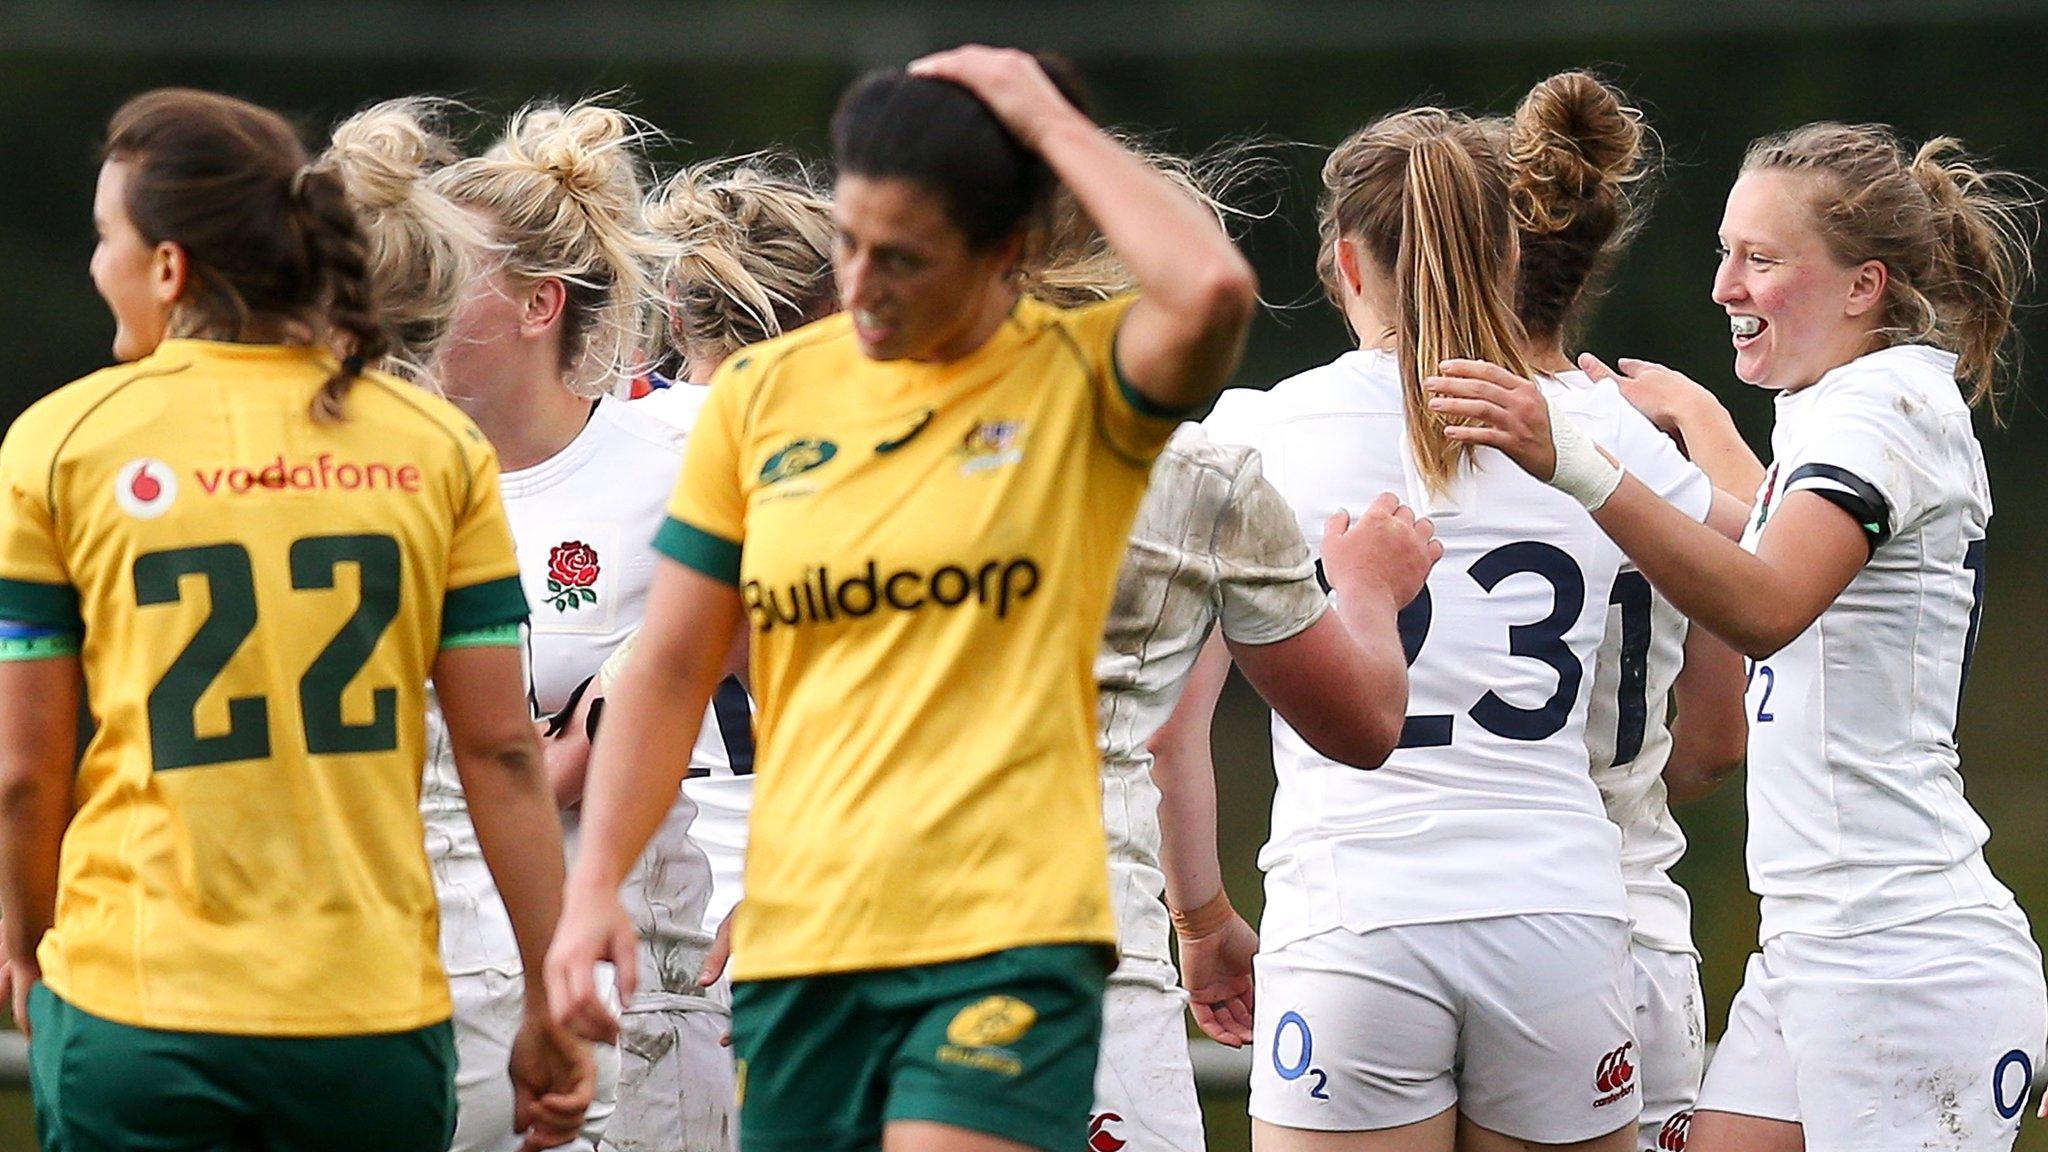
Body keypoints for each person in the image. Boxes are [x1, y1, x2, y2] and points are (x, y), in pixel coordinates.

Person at [547, 46, 1258, 1152]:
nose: (863, 285)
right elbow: (673, 666)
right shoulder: (765, 396)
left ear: (1004, 252)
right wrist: (593, 888)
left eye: (905, 258)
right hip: (803, 938)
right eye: (850, 244)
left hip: (1007, 927)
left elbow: (1209, 285)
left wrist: (1043, 117)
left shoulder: (1072, 381)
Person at [1432, 121, 2048, 1152]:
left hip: (1895, 953)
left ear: (1862, 287)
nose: (1723, 286)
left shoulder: (1879, 413)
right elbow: (1777, 537)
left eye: (1758, 259)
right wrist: (1702, 431)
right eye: (1725, 252)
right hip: (1821, 944)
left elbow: (1765, 604)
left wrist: (1574, 462)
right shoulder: (1854, 403)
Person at [0, 87, 589, 1152]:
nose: (95, 266)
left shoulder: (60, 440)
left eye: (104, 240)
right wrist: (551, 994)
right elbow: (504, 751)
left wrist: (28, 936)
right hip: (368, 1019)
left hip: (135, 1006)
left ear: (168, 269)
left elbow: (26, 769)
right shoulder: (431, 443)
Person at [1196, 101, 1733, 1152]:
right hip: (1559, 914)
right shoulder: (1593, 430)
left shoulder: (1258, 432)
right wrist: (1707, 427)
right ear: (1509, 255)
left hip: (1355, 914)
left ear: (1345, 264)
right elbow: (1769, 576)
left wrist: (1195, 917)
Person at [428, 98, 732, 1152]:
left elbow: (811, 685)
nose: (406, 300)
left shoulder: (676, 462)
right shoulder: (385, 478)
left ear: (536, 305)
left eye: (441, 273)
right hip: (428, 985)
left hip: (629, 996)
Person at [1498, 72, 1750, 1152]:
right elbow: (1715, 741)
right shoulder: (1647, 447)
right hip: (1629, 920)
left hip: (1428, 916)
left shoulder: (1405, 429)